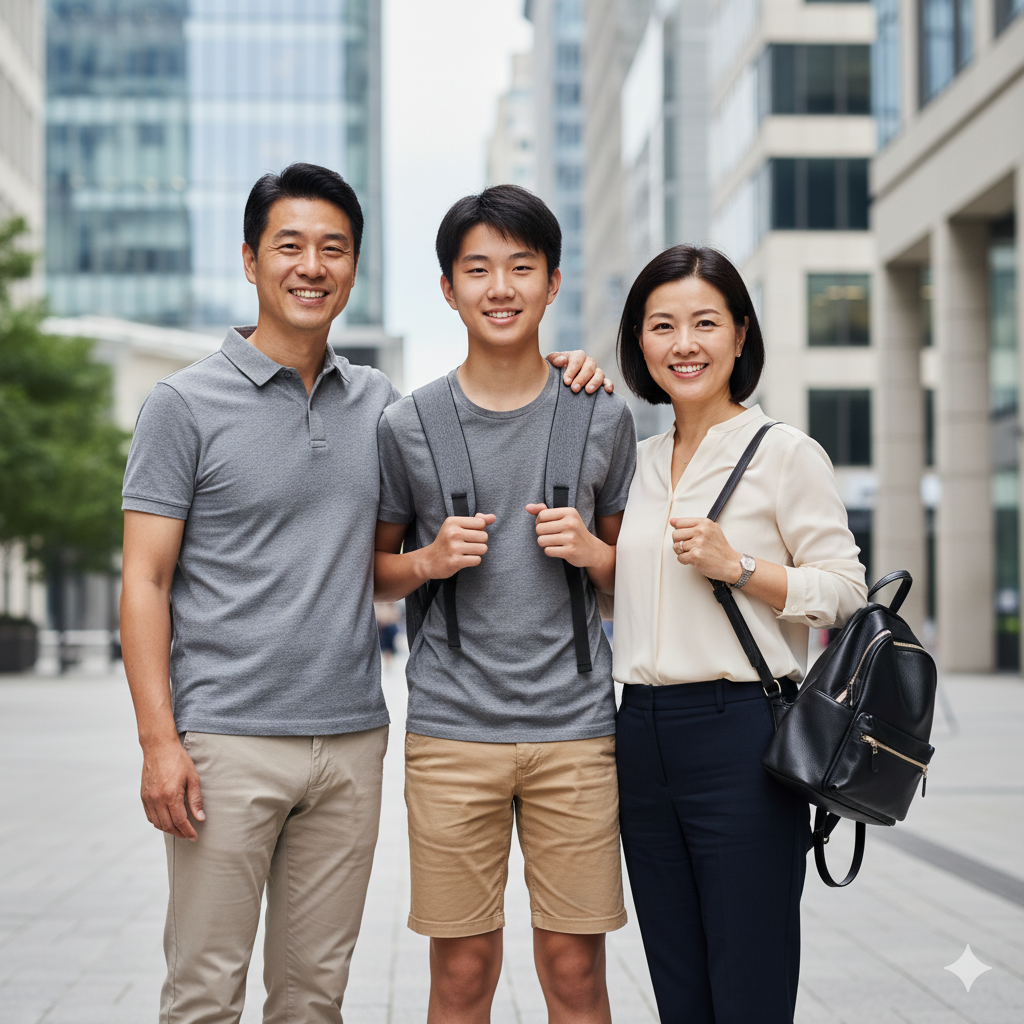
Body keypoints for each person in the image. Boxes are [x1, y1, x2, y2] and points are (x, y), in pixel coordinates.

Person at [119, 162, 610, 1024]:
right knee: (203, 992)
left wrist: (573, 367)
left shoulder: (382, 408)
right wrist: (160, 742)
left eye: (333, 249)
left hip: (351, 740)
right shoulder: (182, 405)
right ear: (249, 260)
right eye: (290, 246)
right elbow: (144, 578)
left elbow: (417, 518)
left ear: (353, 268)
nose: (312, 265)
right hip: (226, 739)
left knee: (315, 998)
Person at [373, 185, 637, 1024]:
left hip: (577, 730)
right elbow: (373, 573)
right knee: (460, 972)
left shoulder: (601, 414)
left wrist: (598, 556)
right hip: (451, 733)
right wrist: (427, 560)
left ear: (553, 283)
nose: (501, 287)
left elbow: (630, 582)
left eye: (522, 268)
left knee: (573, 972)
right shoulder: (407, 424)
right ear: (448, 288)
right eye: (478, 268)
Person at [611, 245, 868, 1024]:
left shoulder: (785, 453)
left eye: (704, 323)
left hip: (741, 736)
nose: (683, 343)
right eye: (662, 325)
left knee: (748, 983)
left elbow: (847, 592)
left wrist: (741, 565)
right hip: (640, 733)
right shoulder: (638, 461)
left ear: (740, 334)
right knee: (678, 985)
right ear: (639, 342)